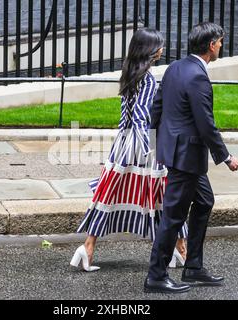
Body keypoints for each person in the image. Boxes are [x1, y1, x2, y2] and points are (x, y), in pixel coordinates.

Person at [70, 28, 189, 272]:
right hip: (145, 143)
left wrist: (119, 149)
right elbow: (143, 117)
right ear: (149, 50)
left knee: (109, 194)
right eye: (159, 45)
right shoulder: (147, 78)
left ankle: (88, 247)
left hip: (126, 143)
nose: (162, 49)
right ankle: (180, 248)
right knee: (164, 194)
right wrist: (154, 151)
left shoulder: (130, 74)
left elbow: (126, 118)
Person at [144, 22, 238, 294]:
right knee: (173, 217)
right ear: (211, 46)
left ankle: (194, 267)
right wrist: (226, 157)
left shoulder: (175, 68)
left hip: (178, 154)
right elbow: (205, 123)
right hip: (186, 157)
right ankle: (156, 276)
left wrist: (157, 145)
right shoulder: (198, 76)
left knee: (204, 201)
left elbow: (157, 107)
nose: (221, 45)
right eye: (220, 42)